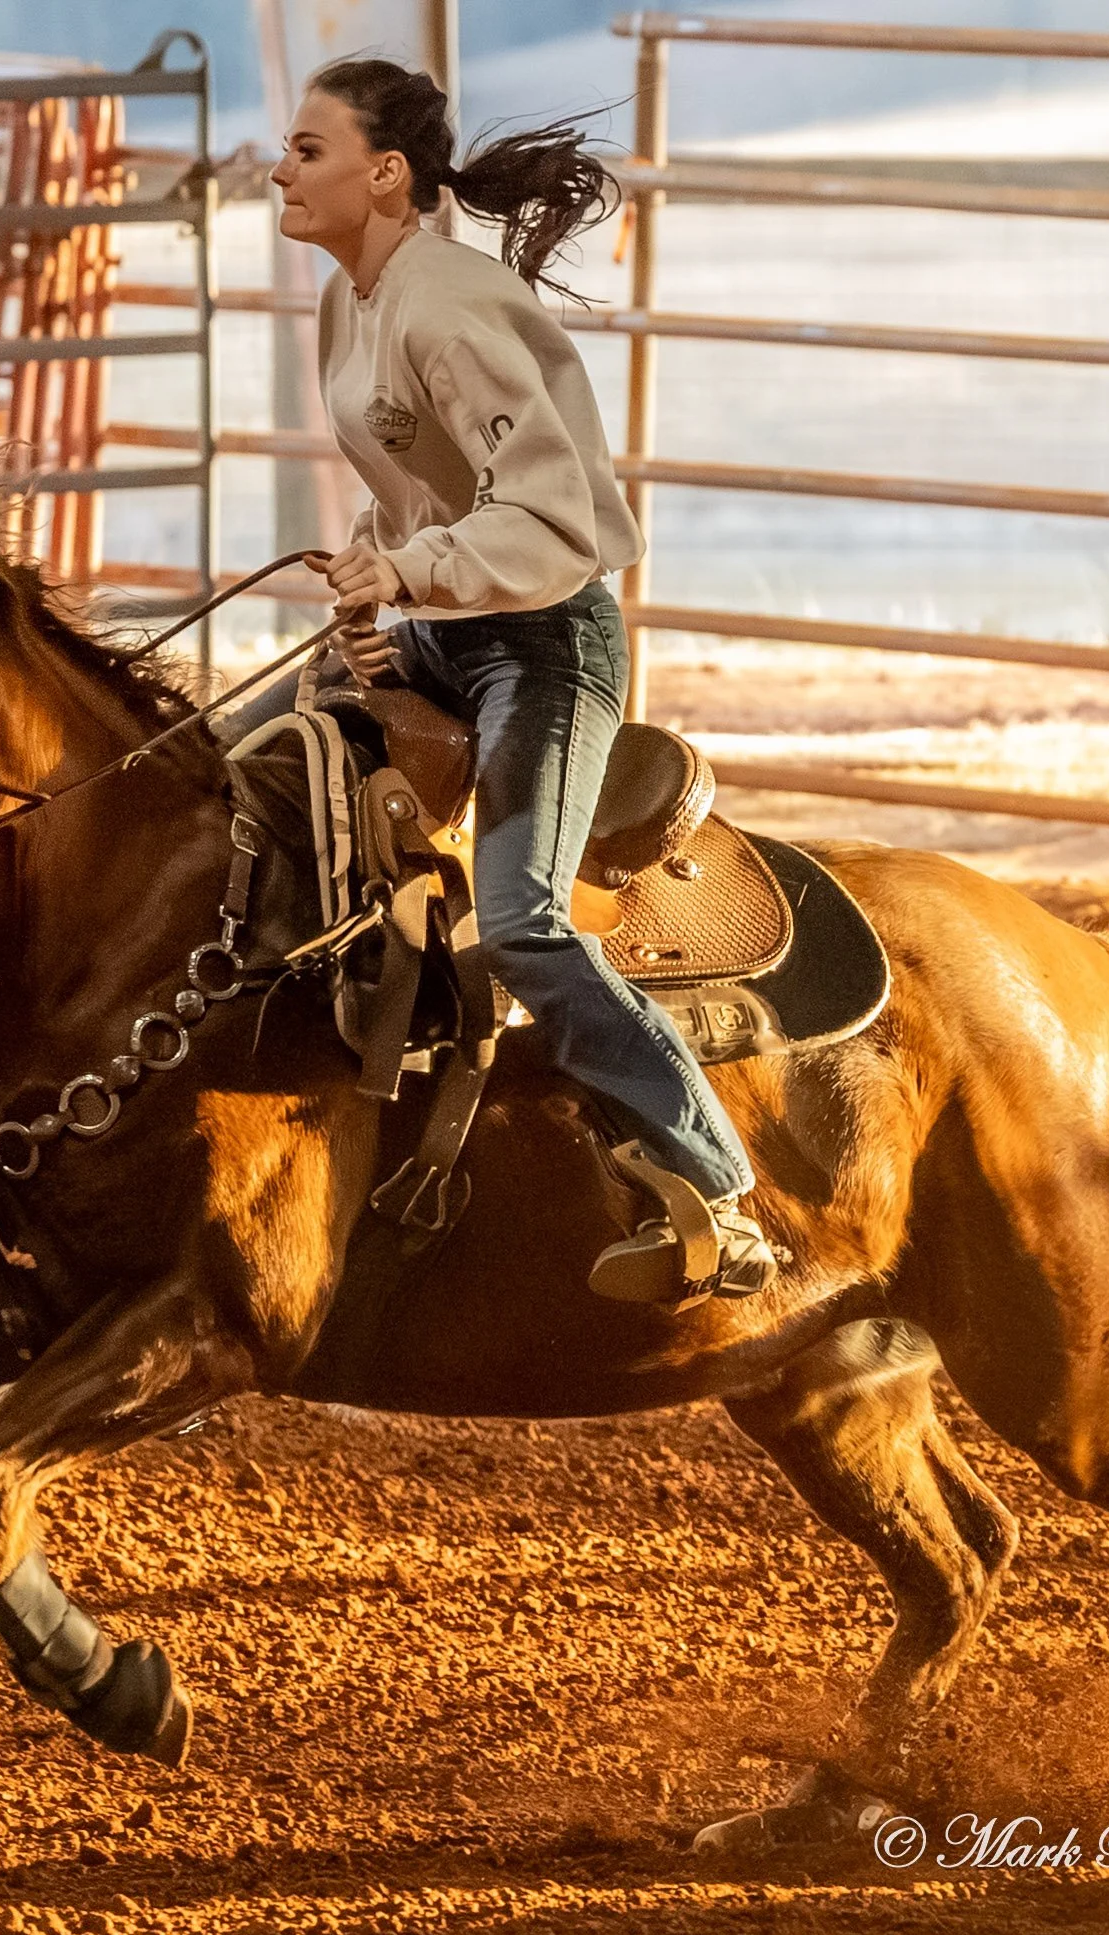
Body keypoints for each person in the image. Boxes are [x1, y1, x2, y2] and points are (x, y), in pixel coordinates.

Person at [269, 56, 779, 1306]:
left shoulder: (446, 305)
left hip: (546, 640)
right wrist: (376, 584)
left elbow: (552, 524)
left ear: (384, 175)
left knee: (522, 917)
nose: (279, 169)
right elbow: (411, 486)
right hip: (450, 625)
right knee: (256, 770)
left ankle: (715, 1182)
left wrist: (405, 575)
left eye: (306, 150)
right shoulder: (354, 296)